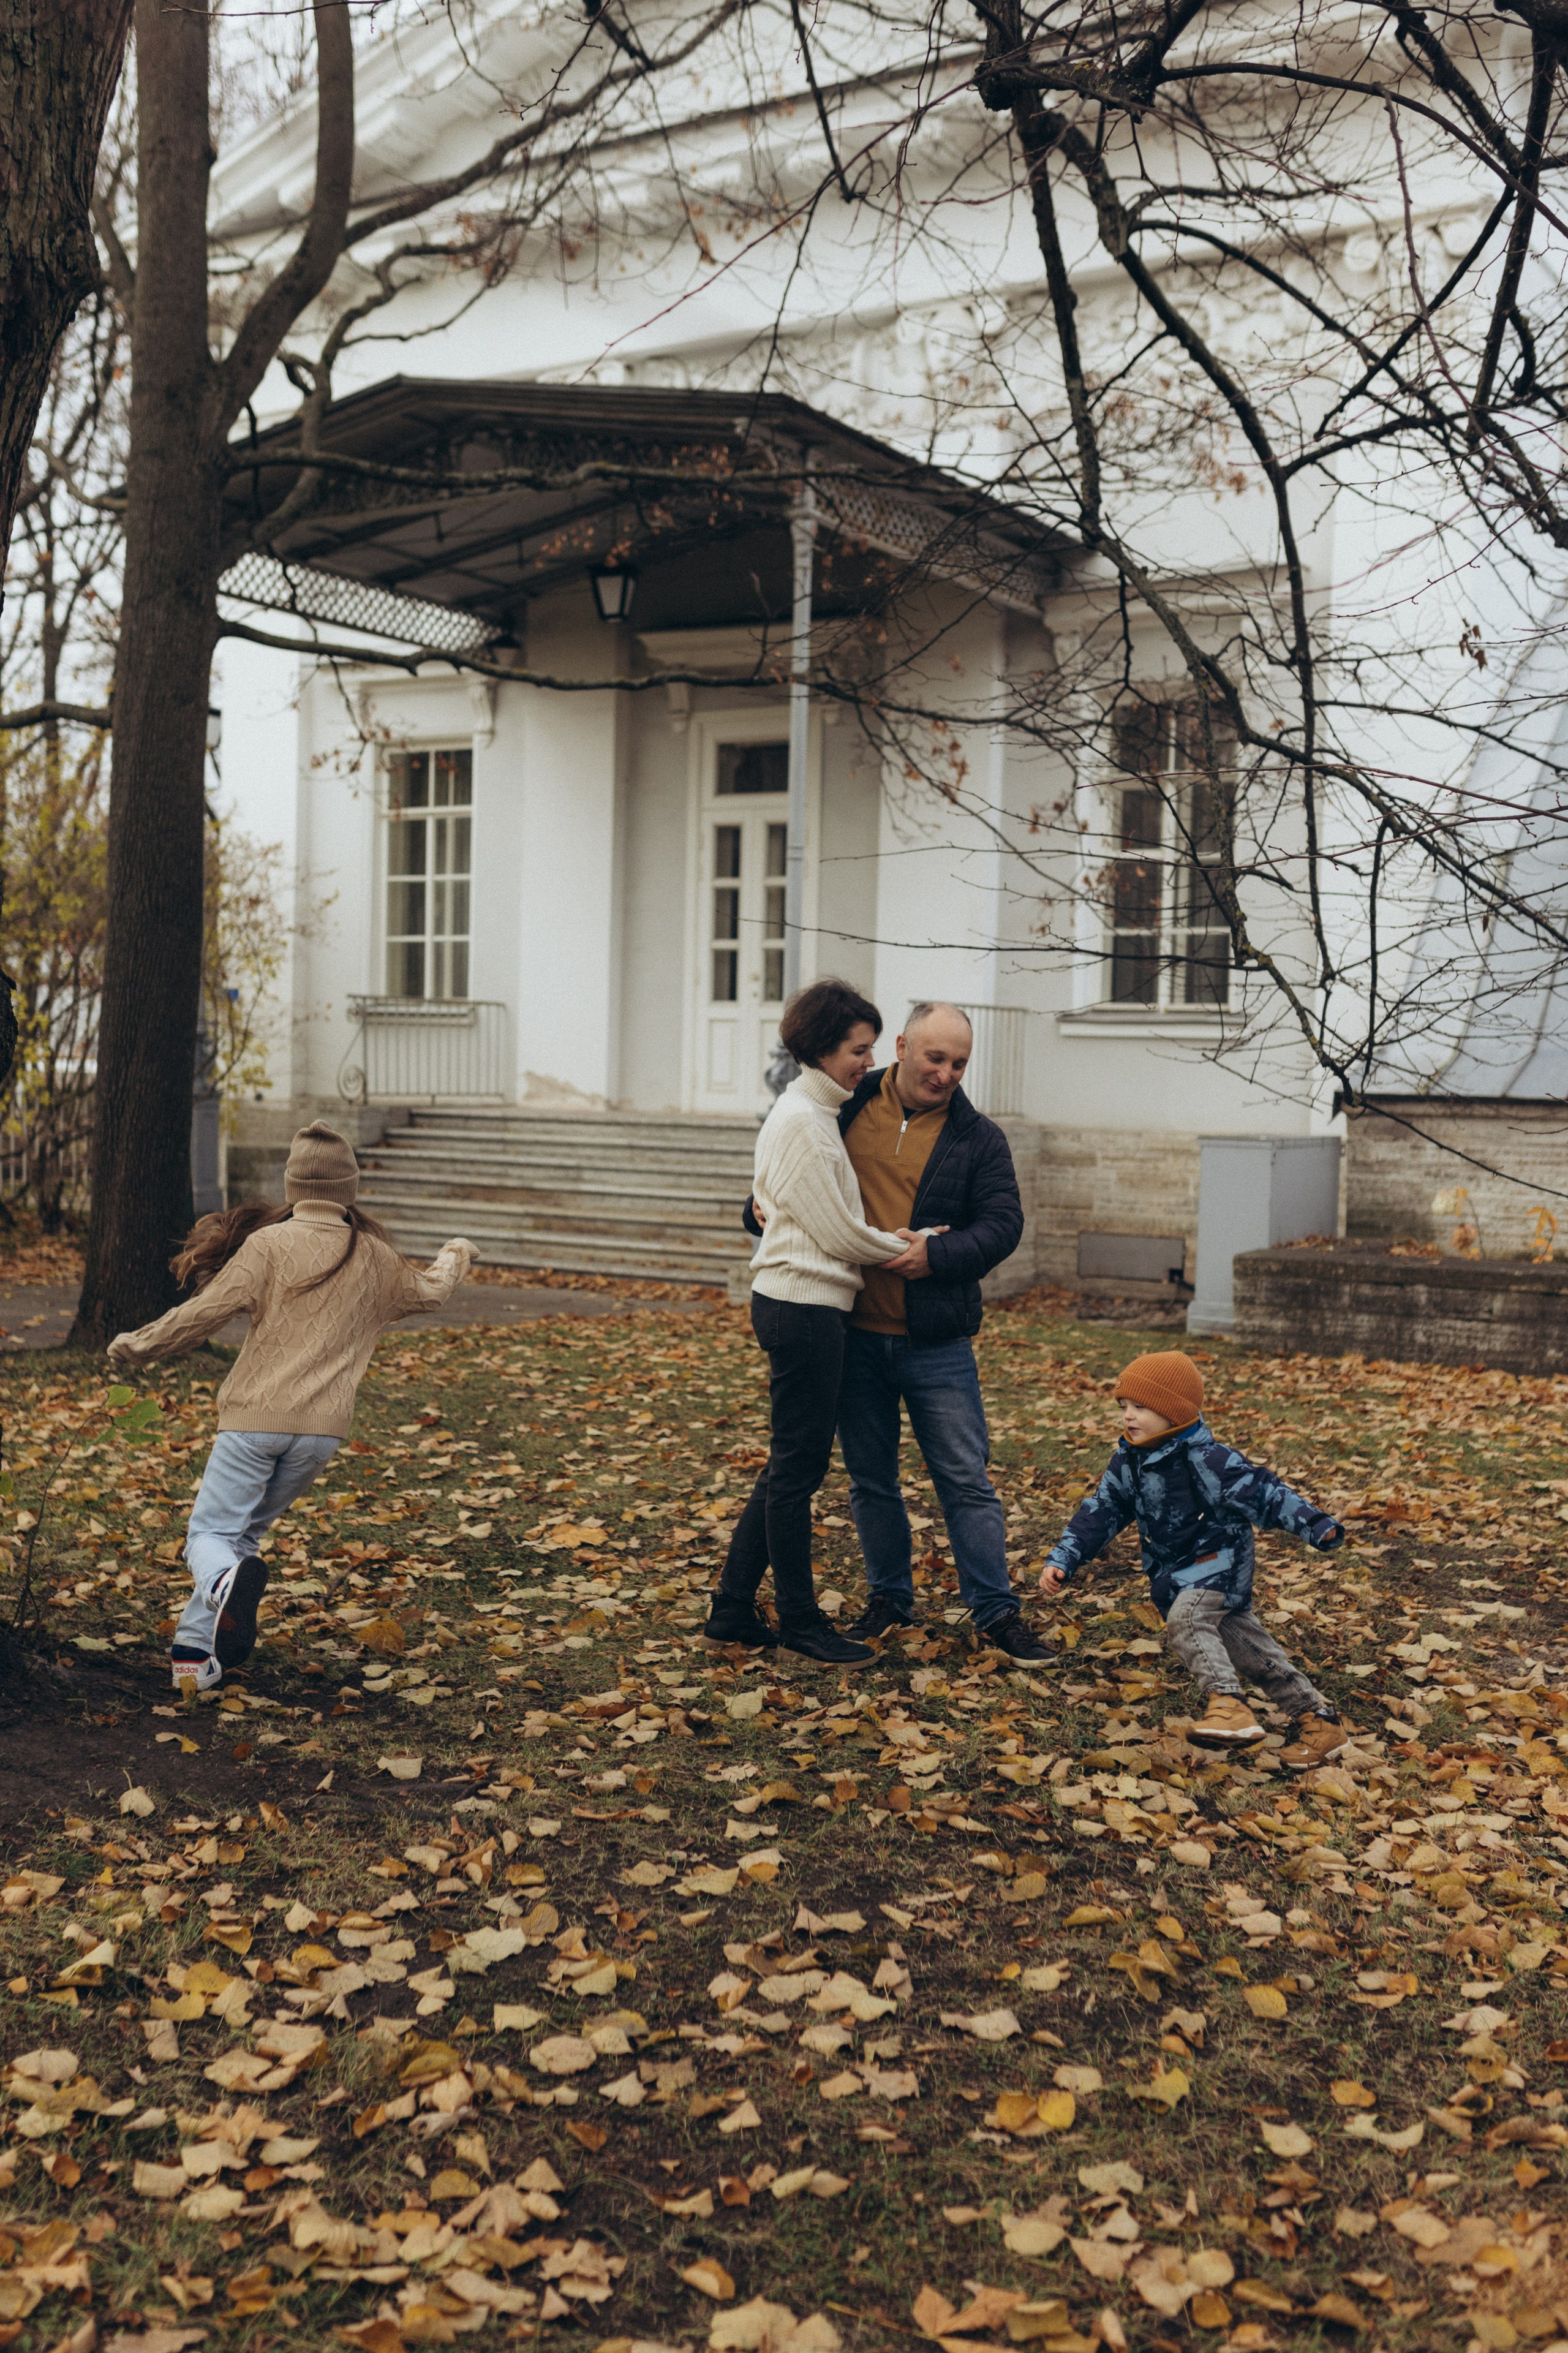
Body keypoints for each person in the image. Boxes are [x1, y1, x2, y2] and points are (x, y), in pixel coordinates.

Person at [107, 1121, 477, 1693]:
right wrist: (456, 1252)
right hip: (320, 1436)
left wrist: (140, 1344)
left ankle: (222, 1587)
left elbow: (205, 1312)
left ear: (293, 1184)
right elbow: (431, 1290)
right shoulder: (375, 1255)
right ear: (349, 1187)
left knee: (207, 1537)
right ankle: (192, 1660)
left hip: (254, 1421)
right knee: (241, 1539)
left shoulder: (269, 1245)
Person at [788, 1000, 1050, 1662]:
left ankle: (996, 1613)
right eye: (936, 1058)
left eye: (959, 1063)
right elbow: (790, 1174)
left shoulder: (978, 1137)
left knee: (965, 1480)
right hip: (851, 1332)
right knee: (870, 1481)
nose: (947, 1074)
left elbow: (1003, 1225)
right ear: (902, 1047)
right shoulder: (843, 1106)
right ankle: (889, 1600)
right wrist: (756, 1208)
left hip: (937, 1341)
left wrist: (937, 1255)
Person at [708, 980, 932, 1665]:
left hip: (807, 1306)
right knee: (796, 1475)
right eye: (858, 1050)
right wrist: (912, 1246)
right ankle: (801, 1624)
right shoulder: (804, 1121)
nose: (868, 1062)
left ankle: (731, 1609)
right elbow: (837, 1233)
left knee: (788, 1466)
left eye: (870, 1049)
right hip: (802, 1308)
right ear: (822, 1048)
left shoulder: (816, 1111)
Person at [1038, 1348, 1350, 1764]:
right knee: (1252, 1652)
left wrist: (1316, 1524)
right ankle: (1320, 1722)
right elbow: (1101, 1511)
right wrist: (1065, 1557)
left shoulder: (1210, 1460)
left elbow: (1266, 1492)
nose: (1128, 1416)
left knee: (1187, 1619)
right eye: (1123, 1406)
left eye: (1140, 1407)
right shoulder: (1128, 1462)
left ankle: (1228, 1706)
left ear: (1174, 1412)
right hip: (1175, 1573)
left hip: (1220, 1564)